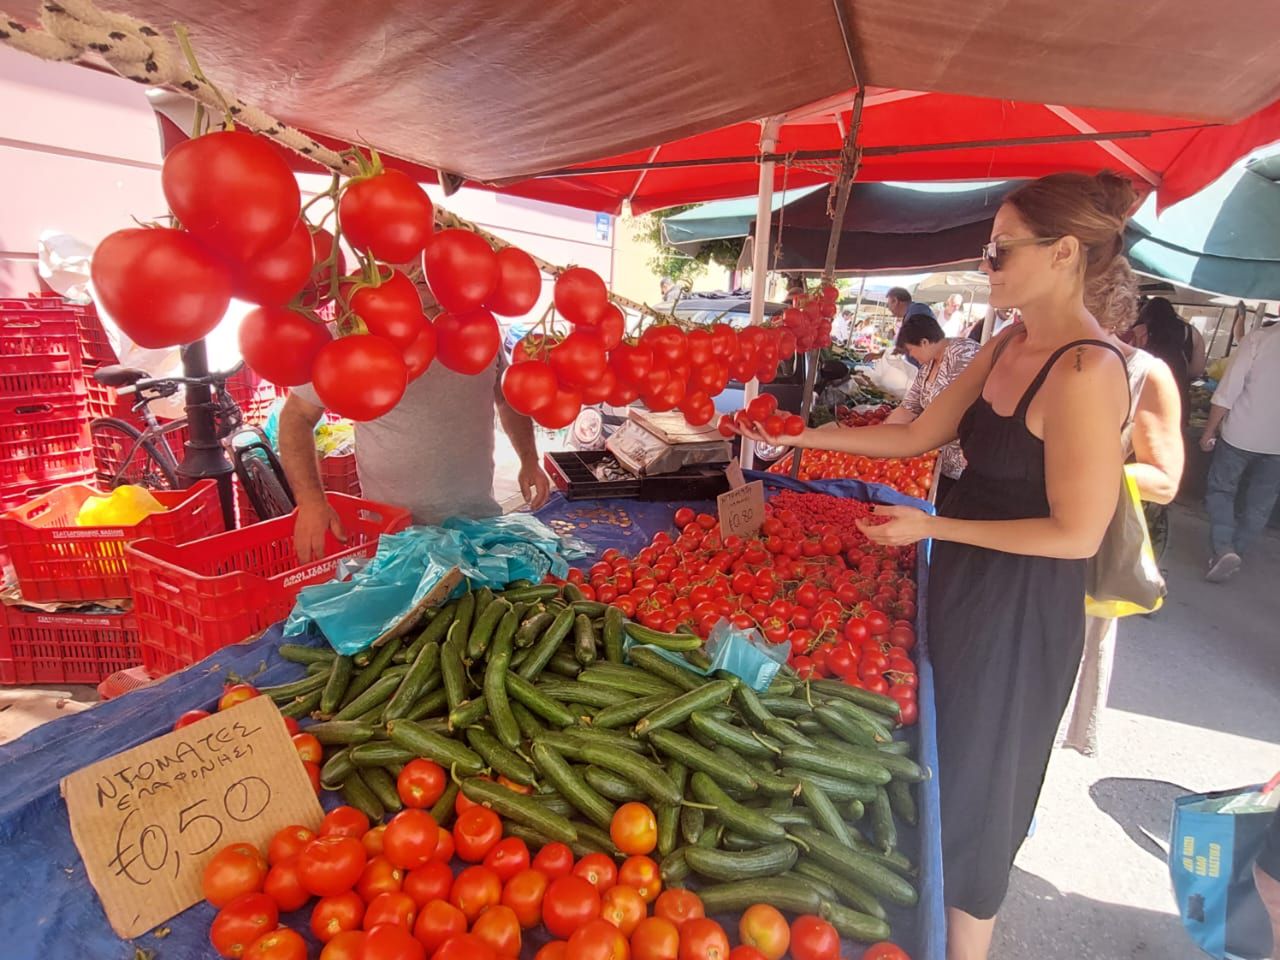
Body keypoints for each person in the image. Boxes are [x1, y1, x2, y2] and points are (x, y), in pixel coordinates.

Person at [741, 171, 1136, 959]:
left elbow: (1078, 534)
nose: (985, 265)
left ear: (1062, 254)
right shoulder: (1008, 342)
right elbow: (916, 436)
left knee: (985, 791)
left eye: (998, 251)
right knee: (944, 764)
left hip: (1022, 609)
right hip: (962, 578)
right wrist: (799, 439)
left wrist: (938, 528)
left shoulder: (1091, 371)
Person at [279, 318, 552, 561]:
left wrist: (529, 459)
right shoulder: (351, 333)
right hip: (394, 539)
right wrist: (311, 500)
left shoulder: (480, 326)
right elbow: (296, 418)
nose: (422, 265)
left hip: (479, 528)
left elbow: (505, 399)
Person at [1058, 257, 1185, 757]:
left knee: (1064, 663)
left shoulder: (1144, 375)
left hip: (1085, 546)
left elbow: (1165, 481)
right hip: (1015, 535)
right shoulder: (1029, 355)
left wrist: (1090, 475)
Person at [1198, 319, 1280, 581]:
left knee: (1221, 490)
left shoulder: (1259, 338)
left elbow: (1228, 389)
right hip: (1277, 445)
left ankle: (1223, 549)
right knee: (1260, 504)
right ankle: (1235, 551)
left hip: (1241, 434)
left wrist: (1209, 430)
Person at [885, 313, 980, 503]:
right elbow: (907, 410)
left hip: (968, 460)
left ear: (925, 342)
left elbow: (962, 407)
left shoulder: (963, 354)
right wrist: (879, 437)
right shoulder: (927, 367)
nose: (911, 356)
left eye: (911, 350)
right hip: (939, 459)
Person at [1133, 298, 1192, 420]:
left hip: (1144, 390)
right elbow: (1197, 368)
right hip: (1177, 390)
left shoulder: (1139, 330)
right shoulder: (1189, 331)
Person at [1132, 295, 1206, 379]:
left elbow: (1129, 360)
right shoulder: (1192, 332)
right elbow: (1197, 370)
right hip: (1177, 387)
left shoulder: (1140, 330)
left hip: (1145, 382)